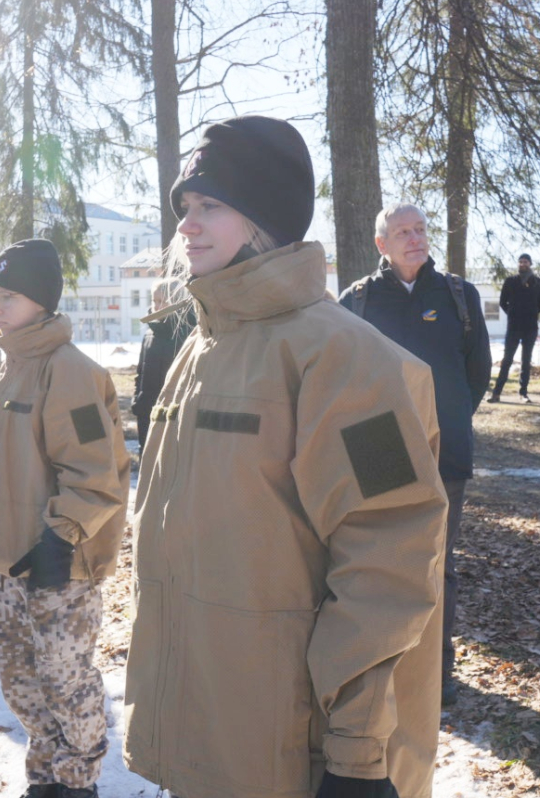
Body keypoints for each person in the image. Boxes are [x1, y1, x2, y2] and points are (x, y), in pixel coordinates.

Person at [123, 116, 449, 798]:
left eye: (211, 205)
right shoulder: (197, 348)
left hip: (289, 744)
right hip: (205, 723)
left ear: (265, 217)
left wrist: (358, 753)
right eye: (186, 207)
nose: (187, 224)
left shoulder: (346, 358)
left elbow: (387, 556)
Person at [0, 239, 131, 798]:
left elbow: (94, 471)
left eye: (9, 296)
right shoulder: (0, 372)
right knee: (21, 683)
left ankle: (78, 779)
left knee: (64, 680)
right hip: (8, 563)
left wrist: (61, 538)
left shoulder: (70, 372)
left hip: (60, 565)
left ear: (42, 301)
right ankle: (46, 775)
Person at [339, 202, 490, 708]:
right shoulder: (356, 301)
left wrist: (445, 418)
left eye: (420, 229)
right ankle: (385, 666)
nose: (414, 237)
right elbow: (341, 379)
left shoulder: (458, 295)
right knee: (382, 561)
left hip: (444, 449)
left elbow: (477, 376)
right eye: (402, 231)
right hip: (378, 451)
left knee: (437, 564)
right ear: (381, 244)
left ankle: (436, 671)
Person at [129, 280, 193, 446]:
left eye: (162, 301)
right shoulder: (149, 334)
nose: (157, 306)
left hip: (174, 416)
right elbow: (140, 372)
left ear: (176, 302)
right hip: (146, 413)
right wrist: (138, 401)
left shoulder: (188, 334)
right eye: (154, 301)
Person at [488, 253, 540, 404]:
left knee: (526, 361)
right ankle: (496, 393)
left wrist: (530, 313)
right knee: (507, 360)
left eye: (525, 262)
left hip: (530, 327)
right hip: (514, 327)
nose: (523, 264)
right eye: (520, 262)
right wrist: (512, 313)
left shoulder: (538, 283)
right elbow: (502, 302)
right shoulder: (510, 281)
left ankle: (523, 394)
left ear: (530, 263)